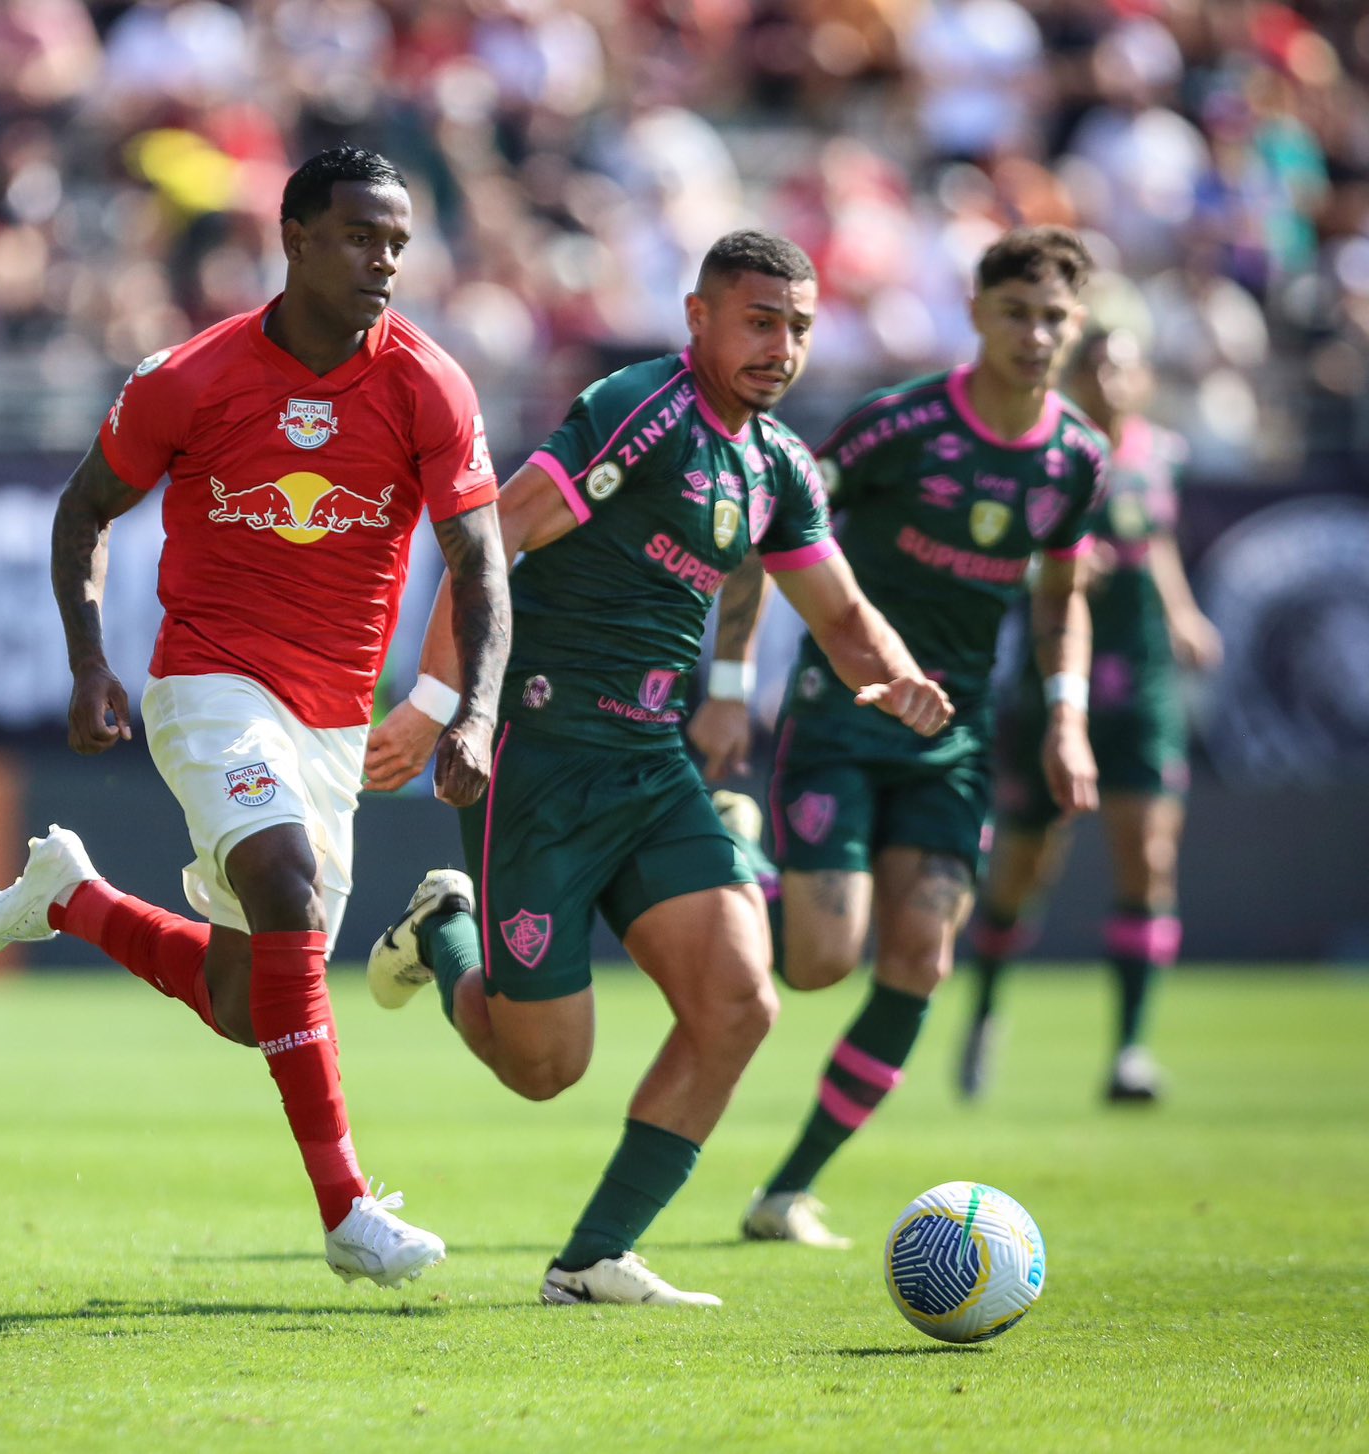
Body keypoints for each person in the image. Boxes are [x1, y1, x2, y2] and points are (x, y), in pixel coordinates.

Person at [360, 230, 952, 1306]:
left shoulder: (776, 463)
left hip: (646, 761)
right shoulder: (641, 409)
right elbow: (487, 540)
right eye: (759, 321)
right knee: (543, 1067)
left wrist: (900, 677)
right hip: (536, 756)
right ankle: (444, 928)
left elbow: (841, 611)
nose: (782, 346)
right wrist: (444, 705)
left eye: (799, 327)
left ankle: (591, 1259)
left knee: (739, 1000)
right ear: (697, 316)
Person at [0, 146, 511, 1288]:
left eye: (399, 242)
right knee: (283, 876)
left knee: (243, 996)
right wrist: (89, 662)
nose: (384, 261)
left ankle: (70, 897)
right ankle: (348, 1208)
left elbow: (481, 566)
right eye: (361, 236)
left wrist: (468, 712)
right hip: (207, 684)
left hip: (331, 722)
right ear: (295, 237)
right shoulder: (191, 377)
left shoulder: (428, 384)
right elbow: (82, 510)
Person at [694, 225, 1108, 1249]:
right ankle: (736, 846)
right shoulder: (899, 426)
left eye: (1053, 317)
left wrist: (1063, 715)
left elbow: (1059, 599)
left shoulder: (1073, 460)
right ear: (974, 312)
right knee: (817, 963)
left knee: (919, 959)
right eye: (1015, 312)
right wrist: (731, 683)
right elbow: (767, 520)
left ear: (1077, 324)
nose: (1034, 333)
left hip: (953, 738)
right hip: (845, 714)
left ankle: (785, 1189)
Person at [959, 327, 1220, 1104]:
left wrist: (1182, 613)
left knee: (1150, 856)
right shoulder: (1046, 454)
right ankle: (986, 1008)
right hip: (1052, 686)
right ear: (1076, 377)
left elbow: (1159, 540)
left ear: (1143, 378)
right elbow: (993, 551)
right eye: (1098, 364)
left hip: (1141, 685)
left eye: (1125, 364)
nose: (1111, 378)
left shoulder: (1160, 453)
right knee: (1024, 867)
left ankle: (1129, 1054)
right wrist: (1048, 565)